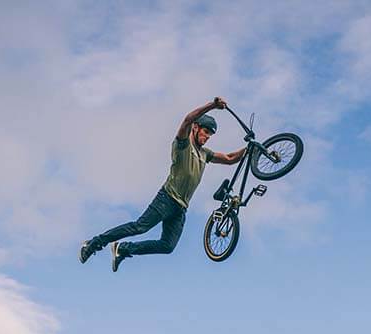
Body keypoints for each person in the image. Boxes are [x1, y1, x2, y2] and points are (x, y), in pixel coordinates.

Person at [79, 97, 248, 272]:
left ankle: (122, 249)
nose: (207, 137)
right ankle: (93, 243)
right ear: (196, 128)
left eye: (210, 135)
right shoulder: (182, 144)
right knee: (140, 226)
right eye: (205, 132)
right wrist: (212, 105)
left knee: (167, 246)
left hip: (181, 208)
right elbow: (187, 119)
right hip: (166, 199)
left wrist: (249, 148)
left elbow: (229, 159)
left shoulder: (205, 154)